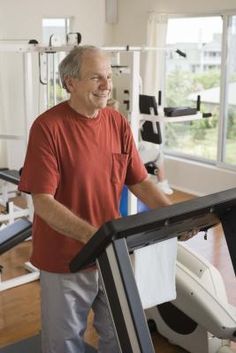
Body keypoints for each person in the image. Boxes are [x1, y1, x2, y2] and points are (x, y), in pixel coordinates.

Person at [18, 45, 196, 353]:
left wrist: (173, 218)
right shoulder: (48, 128)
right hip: (65, 259)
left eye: (109, 76)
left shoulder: (116, 123)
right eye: (96, 77)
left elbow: (139, 181)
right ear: (71, 83)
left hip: (113, 253)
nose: (106, 85)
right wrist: (94, 237)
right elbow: (43, 201)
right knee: (64, 344)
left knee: (121, 333)